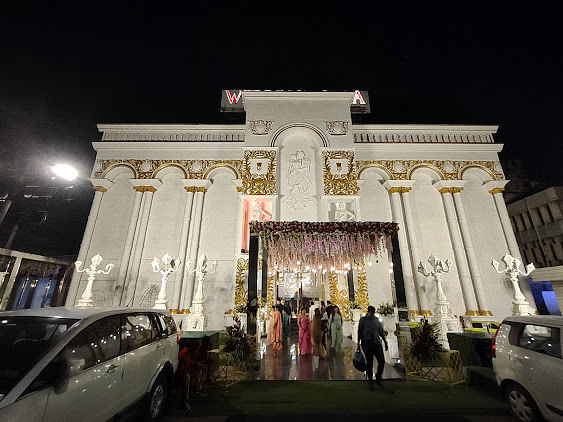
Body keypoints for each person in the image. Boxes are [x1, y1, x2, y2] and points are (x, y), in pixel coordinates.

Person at [358, 305, 388, 386]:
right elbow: (359, 332)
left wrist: (385, 342)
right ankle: (370, 380)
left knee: (381, 361)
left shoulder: (376, 320)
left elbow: (381, 332)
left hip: (376, 342)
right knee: (369, 362)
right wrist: (358, 343)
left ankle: (378, 377)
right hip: (367, 343)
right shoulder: (363, 320)